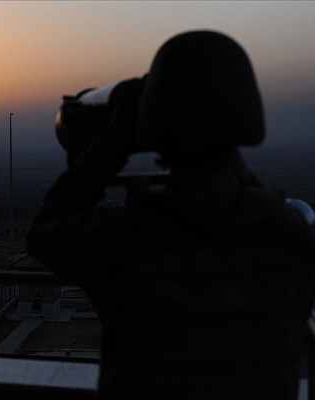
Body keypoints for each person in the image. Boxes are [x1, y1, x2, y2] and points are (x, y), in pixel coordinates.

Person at [25, 30, 315, 400]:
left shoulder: (133, 239)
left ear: (156, 124)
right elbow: (254, 197)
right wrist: (221, 130)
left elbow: (47, 233)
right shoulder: (292, 235)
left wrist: (113, 141)